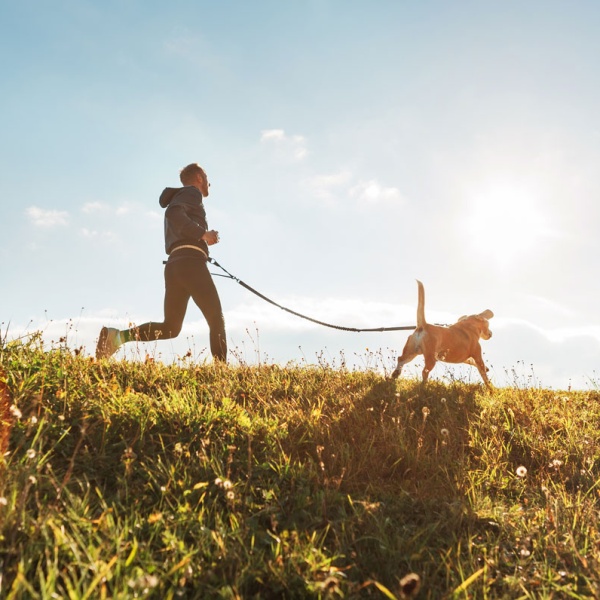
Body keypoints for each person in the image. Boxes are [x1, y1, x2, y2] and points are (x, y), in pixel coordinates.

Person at [95, 163, 227, 362]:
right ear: (199, 178)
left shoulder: (182, 196)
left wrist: (202, 238)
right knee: (216, 318)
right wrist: (203, 234)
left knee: (171, 328)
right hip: (190, 264)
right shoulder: (192, 193)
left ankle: (117, 337)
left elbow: (176, 216)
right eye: (207, 177)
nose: (209, 182)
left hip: (175, 265)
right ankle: (221, 373)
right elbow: (173, 214)